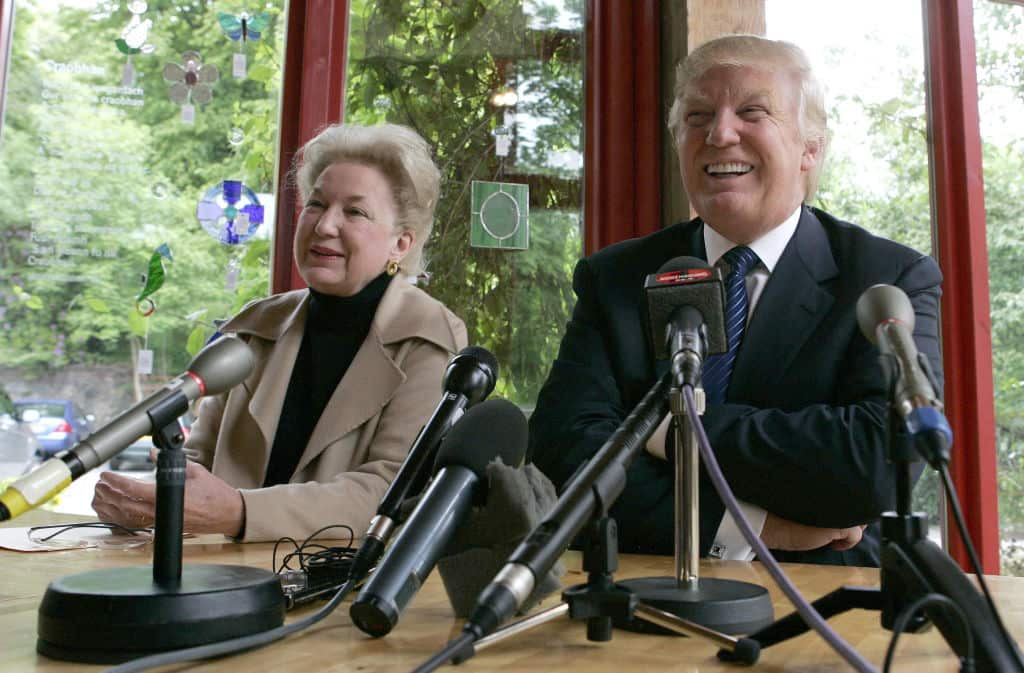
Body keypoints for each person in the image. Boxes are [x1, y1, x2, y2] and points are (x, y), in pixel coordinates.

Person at [528, 34, 943, 566]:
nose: (720, 133)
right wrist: (755, 527)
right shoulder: (615, 278)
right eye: (698, 115)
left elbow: (879, 460)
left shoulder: (888, 279)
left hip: (828, 607)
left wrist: (670, 430)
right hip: (641, 602)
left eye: (752, 112)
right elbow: (562, 459)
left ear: (809, 148)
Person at [93, 123, 467, 541]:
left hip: (331, 588)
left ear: (401, 243)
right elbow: (198, 460)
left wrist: (238, 512)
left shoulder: (430, 338)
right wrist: (146, 501)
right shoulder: (257, 326)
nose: (325, 225)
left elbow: (389, 491)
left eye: (355, 212)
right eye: (316, 204)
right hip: (214, 575)